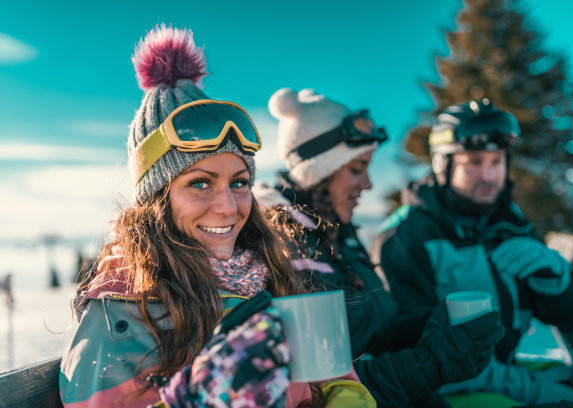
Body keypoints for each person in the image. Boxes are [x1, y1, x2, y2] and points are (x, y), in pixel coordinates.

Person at [58, 25, 374, 408]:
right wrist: (193, 400)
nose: (228, 206)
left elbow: (342, 383)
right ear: (158, 198)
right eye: (200, 184)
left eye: (239, 182)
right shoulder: (123, 311)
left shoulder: (275, 272)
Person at [253, 88, 506, 408]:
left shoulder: (334, 235)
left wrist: (430, 326)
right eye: (357, 169)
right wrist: (430, 362)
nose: (369, 184)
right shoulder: (287, 250)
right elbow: (325, 390)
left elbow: (376, 332)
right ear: (320, 172)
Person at [376, 98, 573, 405]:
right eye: (474, 162)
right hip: (442, 392)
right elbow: (410, 352)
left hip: (502, 372)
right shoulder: (406, 236)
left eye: (496, 161)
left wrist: (556, 276)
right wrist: (531, 389)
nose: (489, 176)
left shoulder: (509, 223)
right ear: (443, 165)